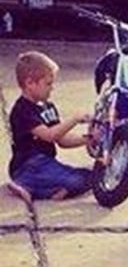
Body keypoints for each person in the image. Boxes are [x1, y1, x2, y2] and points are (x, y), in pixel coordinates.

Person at [7, 50, 92, 202]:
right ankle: (24, 184)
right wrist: (74, 119)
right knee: (77, 180)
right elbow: (49, 135)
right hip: (27, 165)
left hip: (46, 163)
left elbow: (62, 140)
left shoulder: (48, 107)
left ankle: (43, 190)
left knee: (90, 176)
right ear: (30, 83)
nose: (52, 88)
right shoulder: (23, 110)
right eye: (48, 84)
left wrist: (89, 139)